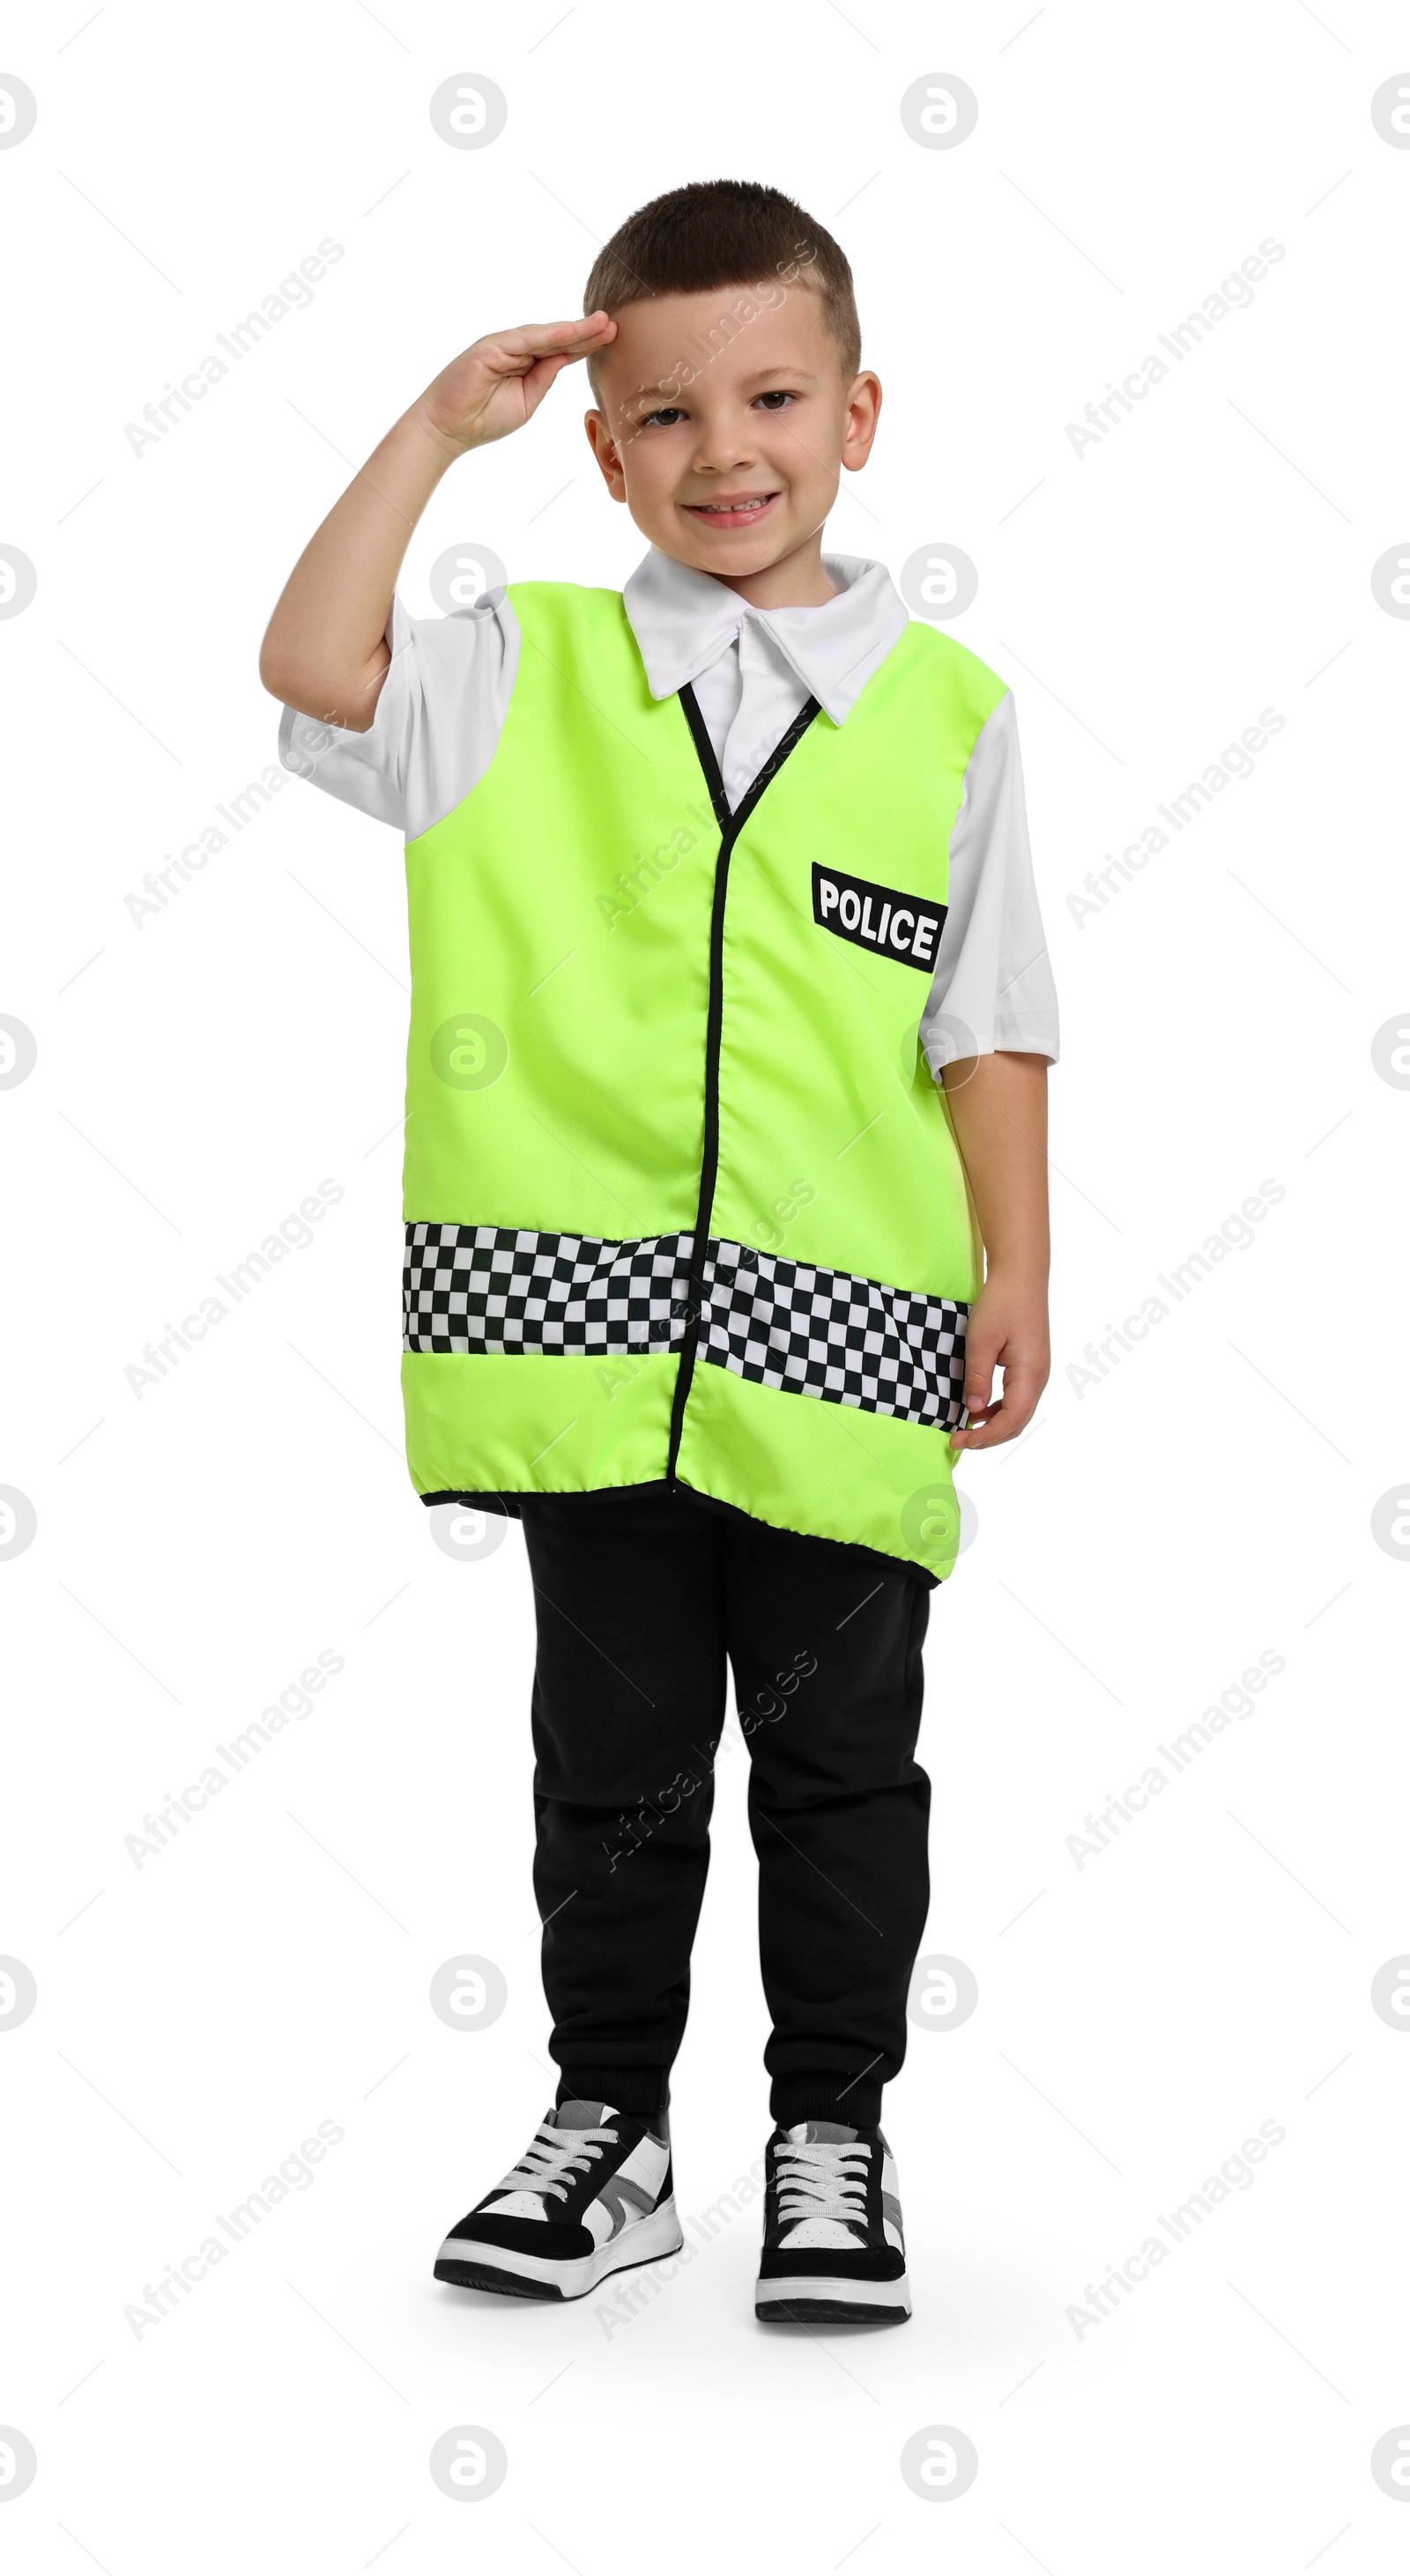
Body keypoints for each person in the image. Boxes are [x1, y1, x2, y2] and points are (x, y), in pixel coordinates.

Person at [260, 178, 1058, 2327]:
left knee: (836, 1768)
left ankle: (832, 2133)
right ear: (602, 447)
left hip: (845, 1357)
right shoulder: (520, 667)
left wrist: (1016, 1268)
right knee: (605, 1772)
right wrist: (439, 427)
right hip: (580, 1361)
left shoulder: (949, 713)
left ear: (857, 412)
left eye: (774, 396)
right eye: (669, 413)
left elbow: (985, 1020)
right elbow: (309, 660)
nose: (727, 451)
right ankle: (607, 2128)